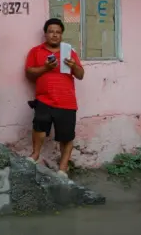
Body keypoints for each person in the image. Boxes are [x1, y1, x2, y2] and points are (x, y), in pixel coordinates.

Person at [25, 18, 84, 178]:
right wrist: (45, 68)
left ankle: (63, 168)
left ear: (61, 35)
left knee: (66, 136)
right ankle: (35, 155)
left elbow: (80, 75)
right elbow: (29, 74)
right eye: (51, 31)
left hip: (66, 101)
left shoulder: (70, 52)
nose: (54, 35)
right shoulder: (35, 51)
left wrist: (73, 66)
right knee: (39, 127)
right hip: (44, 99)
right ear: (45, 33)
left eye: (58, 32)